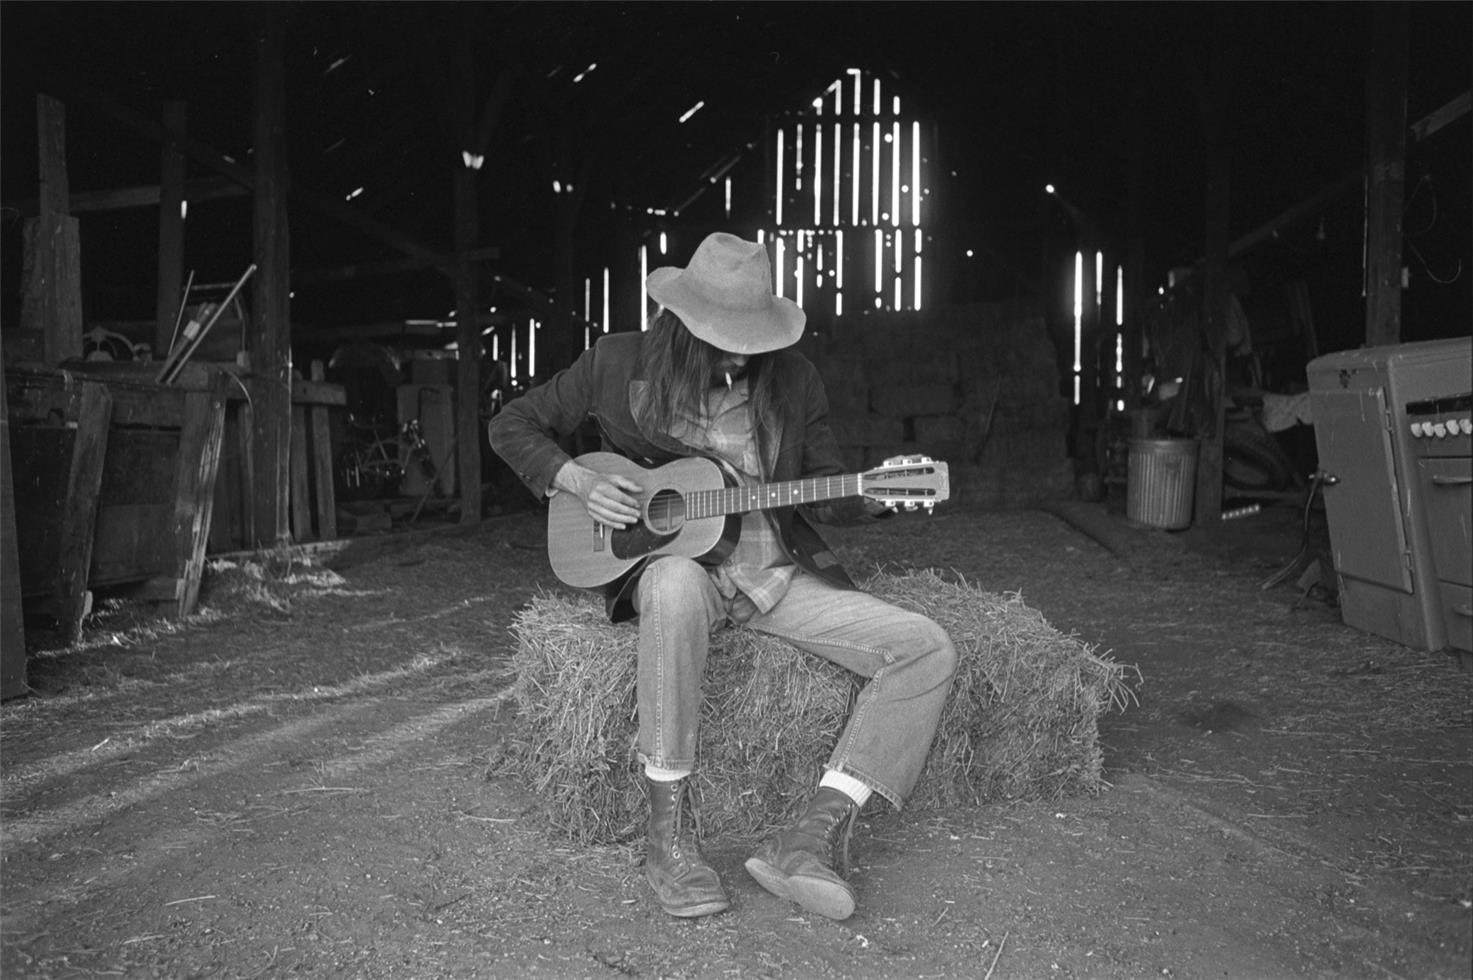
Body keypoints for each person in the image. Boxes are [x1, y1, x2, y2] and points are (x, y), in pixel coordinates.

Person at [489, 232, 958, 921]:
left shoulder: (793, 380)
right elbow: (512, 425)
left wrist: (870, 494)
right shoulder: (616, 363)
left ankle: (809, 837)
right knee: (673, 582)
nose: (740, 353)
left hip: (773, 579)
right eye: (724, 338)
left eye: (750, 338)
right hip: (681, 576)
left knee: (927, 648)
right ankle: (668, 840)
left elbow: (824, 487)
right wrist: (579, 480)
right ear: (681, 324)